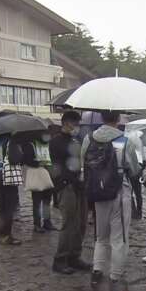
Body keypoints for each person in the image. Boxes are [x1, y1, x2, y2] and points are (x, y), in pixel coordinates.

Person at [82, 111, 140, 291]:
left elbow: (84, 163)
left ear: (101, 118)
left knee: (100, 236)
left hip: (97, 193)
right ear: (117, 119)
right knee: (119, 239)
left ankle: (97, 274)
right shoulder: (124, 141)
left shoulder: (89, 139)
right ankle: (115, 279)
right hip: (119, 192)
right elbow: (134, 169)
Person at [50, 111, 92, 274]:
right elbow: (60, 166)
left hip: (79, 186)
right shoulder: (56, 142)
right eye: (75, 124)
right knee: (69, 224)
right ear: (66, 123)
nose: (77, 127)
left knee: (81, 223)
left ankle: (75, 256)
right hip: (66, 186)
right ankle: (60, 259)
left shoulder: (76, 140)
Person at [0, 134, 22, 245]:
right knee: (9, 208)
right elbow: (14, 159)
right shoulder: (10, 141)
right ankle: (6, 236)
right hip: (8, 177)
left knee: (1, 208)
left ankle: (0, 235)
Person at [23, 133, 56, 233]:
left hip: (48, 174)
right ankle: (37, 224)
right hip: (37, 174)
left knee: (47, 201)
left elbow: (53, 157)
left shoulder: (49, 144)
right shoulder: (31, 145)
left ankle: (47, 222)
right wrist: (38, 163)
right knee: (37, 202)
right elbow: (26, 160)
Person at [125, 130, 145, 220]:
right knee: (138, 192)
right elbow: (143, 159)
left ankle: (133, 211)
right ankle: (138, 212)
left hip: (132, 169)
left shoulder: (128, 139)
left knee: (130, 191)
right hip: (138, 168)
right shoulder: (139, 141)